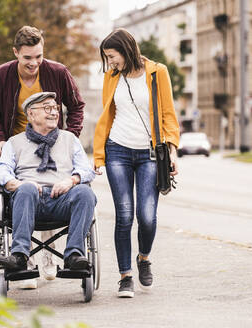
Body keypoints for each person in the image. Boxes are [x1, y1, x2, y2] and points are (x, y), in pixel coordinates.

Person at [0, 26, 86, 286]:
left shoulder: (58, 72)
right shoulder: (0, 76)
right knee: (28, 188)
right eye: (27, 57)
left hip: (54, 140)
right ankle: (25, 257)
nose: (34, 63)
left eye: (38, 56)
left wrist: (67, 137)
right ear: (15, 53)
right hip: (18, 144)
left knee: (56, 183)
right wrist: (0, 141)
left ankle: (52, 258)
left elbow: (76, 106)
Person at [93, 28, 180, 298]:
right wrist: (98, 155)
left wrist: (173, 150)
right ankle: (125, 276)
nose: (110, 62)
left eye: (112, 56)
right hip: (117, 149)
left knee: (147, 216)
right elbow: (107, 115)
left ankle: (143, 258)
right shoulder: (111, 77)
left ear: (126, 49)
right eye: (107, 58)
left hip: (149, 154)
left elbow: (168, 114)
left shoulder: (157, 73)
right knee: (125, 214)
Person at [0, 92, 96, 277]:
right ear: (31, 114)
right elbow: (0, 172)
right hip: (28, 202)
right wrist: (18, 184)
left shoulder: (69, 139)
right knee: (27, 189)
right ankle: (19, 256)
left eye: (55, 108)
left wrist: (71, 180)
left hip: (62, 200)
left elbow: (87, 170)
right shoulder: (14, 143)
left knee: (85, 193)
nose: (54, 113)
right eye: (47, 108)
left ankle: (74, 255)